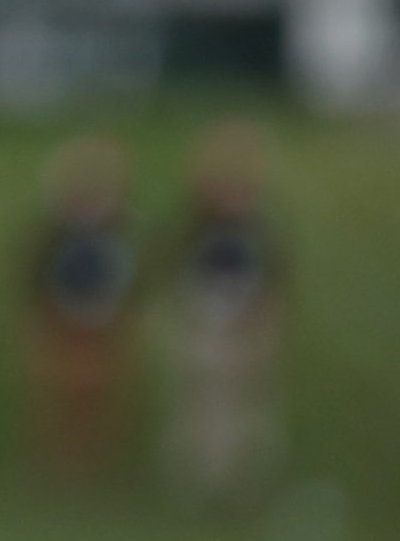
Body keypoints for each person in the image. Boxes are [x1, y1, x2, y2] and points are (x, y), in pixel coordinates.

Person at [157, 117, 290, 505]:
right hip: (202, 323)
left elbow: (273, 279)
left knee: (250, 411)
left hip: (249, 324)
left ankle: (243, 486)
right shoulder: (194, 225)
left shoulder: (262, 228)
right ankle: (199, 486)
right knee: (199, 408)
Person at [18, 132, 139, 483]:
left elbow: (130, 280)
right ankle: (56, 468)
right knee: (55, 400)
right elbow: (34, 280)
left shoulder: (121, 232)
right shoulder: (50, 234)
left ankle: (96, 469)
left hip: (105, 328)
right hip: (59, 326)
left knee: (103, 402)